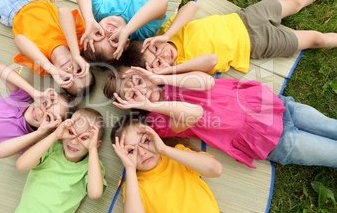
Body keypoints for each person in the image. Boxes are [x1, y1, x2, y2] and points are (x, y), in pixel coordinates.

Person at [104, 66, 337, 169]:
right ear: (131, 106)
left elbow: (208, 81)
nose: (141, 90)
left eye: (138, 82)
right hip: (268, 140)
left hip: (276, 107)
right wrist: (150, 104)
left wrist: (161, 77)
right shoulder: (156, 121)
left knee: (331, 126)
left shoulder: (170, 77)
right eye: (132, 95)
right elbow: (194, 113)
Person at [122, 0, 337, 75]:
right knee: (316, 39)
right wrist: (169, 71)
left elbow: (193, 6)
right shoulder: (182, 68)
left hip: (246, 18)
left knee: (295, 3)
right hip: (257, 44)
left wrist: (167, 35)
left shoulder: (169, 32)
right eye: (158, 62)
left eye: (154, 49)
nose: (162, 54)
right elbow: (212, 61)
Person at [110, 114, 228, 213]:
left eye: (145, 141)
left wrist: (163, 149)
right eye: (131, 151)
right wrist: (130, 168)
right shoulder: (134, 186)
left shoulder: (177, 156)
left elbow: (216, 169)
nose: (142, 152)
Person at [11, 108, 106, 213]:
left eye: (84, 138)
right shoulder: (52, 148)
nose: (74, 142)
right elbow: (21, 165)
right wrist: (55, 135)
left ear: (96, 144)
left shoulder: (91, 166)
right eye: (71, 132)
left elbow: (95, 193)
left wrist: (92, 149)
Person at [72, 0, 169, 65]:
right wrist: (127, 30)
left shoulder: (100, 12)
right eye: (114, 40)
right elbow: (161, 0)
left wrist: (89, 19)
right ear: (125, 43)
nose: (109, 31)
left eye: (99, 33)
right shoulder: (141, 30)